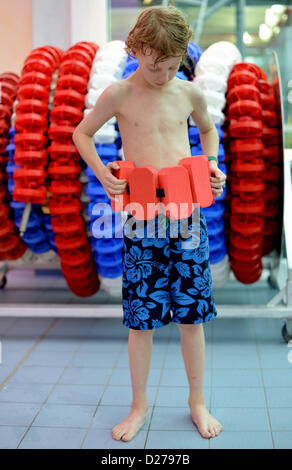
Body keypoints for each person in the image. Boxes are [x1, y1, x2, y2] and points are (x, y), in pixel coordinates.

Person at [73, 5, 226, 443]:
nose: (162, 74)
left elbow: (209, 131)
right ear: (136, 49)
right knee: (141, 320)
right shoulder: (119, 94)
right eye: (155, 65)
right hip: (142, 218)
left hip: (185, 216)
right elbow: (81, 133)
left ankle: (197, 402)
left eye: (172, 66)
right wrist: (103, 173)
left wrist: (211, 163)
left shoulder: (189, 93)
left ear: (182, 58)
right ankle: (139, 405)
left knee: (192, 317)